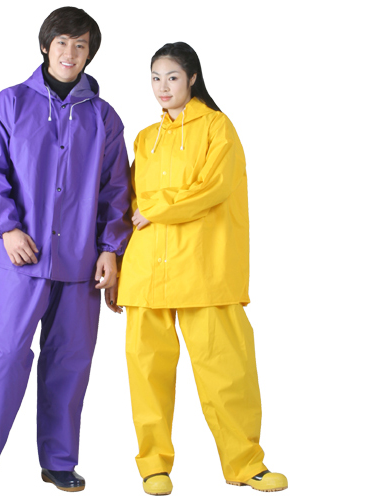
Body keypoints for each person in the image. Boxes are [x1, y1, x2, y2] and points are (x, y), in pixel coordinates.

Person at [0, 7, 132, 496]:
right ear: (45, 46)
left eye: (80, 45)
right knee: (3, 359)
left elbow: (116, 189)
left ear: (90, 53)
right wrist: (7, 228)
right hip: (20, 260)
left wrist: (110, 249)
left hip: (79, 265)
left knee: (69, 365)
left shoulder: (103, 117)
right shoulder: (10, 103)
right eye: (62, 43)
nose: (70, 53)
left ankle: (58, 461)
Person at [115, 42, 288, 495]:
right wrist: (116, 260)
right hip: (146, 272)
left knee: (226, 372)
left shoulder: (217, 127)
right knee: (147, 374)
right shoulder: (145, 139)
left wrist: (156, 209)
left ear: (192, 77)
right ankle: (153, 466)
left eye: (172, 77)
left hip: (203, 268)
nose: (162, 87)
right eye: (155, 78)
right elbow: (127, 201)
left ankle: (246, 464)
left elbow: (213, 188)